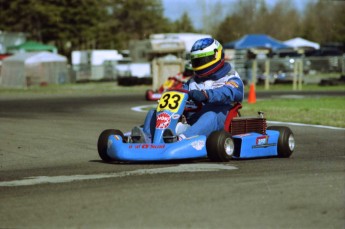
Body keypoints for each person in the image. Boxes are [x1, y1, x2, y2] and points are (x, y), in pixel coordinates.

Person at [132, 38, 244, 143]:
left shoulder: (230, 77)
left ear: (216, 55)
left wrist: (206, 95)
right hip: (192, 119)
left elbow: (229, 92)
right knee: (154, 112)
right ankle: (148, 139)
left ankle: (181, 140)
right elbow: (180, 93)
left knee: (210, 115)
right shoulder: (193, 81)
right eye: (197, 61)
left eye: (203, 60)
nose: (200, 64)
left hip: (219, 120)